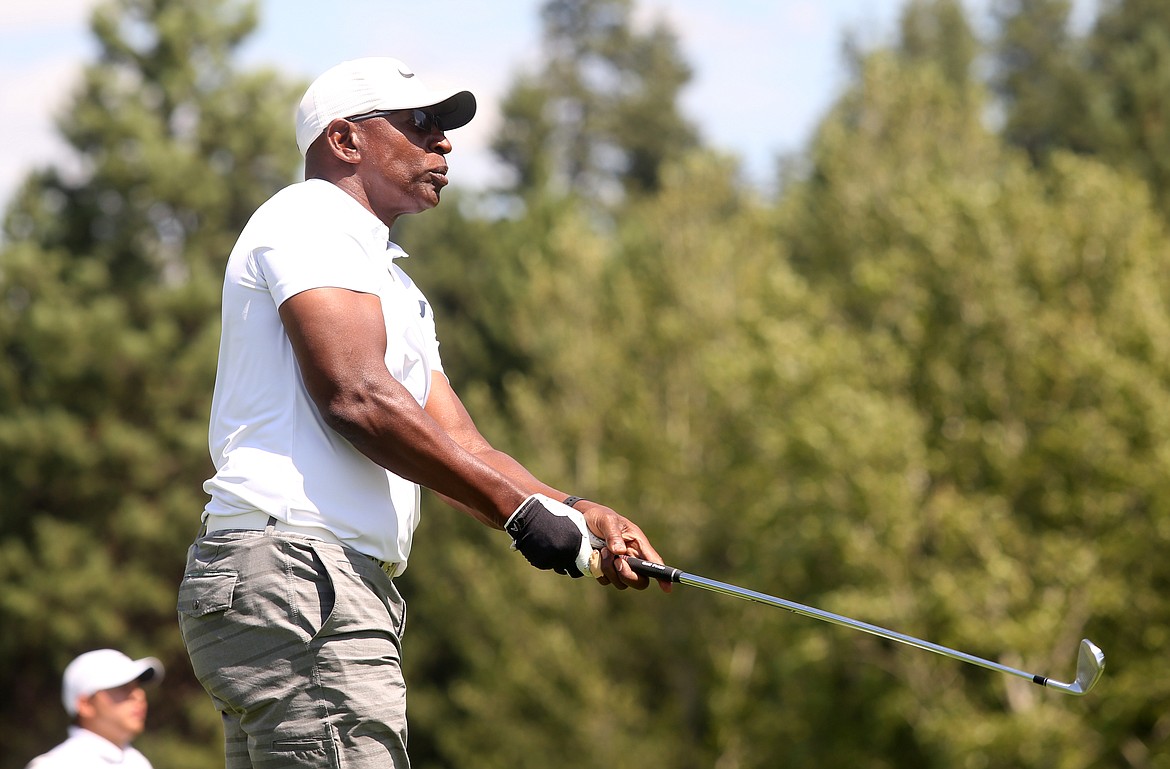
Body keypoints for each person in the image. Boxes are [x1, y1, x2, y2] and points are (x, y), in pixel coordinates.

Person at [176, 56, 668, 768]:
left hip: (308, 579)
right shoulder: (311, 215)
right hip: (299, 572)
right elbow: (357, 397)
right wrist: (520, 513)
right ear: (345, 141)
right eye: (421, 124)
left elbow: (456, 443)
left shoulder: (392, 284)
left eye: (444, 129)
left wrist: (576, 510)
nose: (443, 143)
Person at [26, 649, 164, 769]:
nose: (138, 695)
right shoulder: (53, 765)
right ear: (85, 704)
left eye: (136, 687)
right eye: (122, 687)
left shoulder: (137, 762)